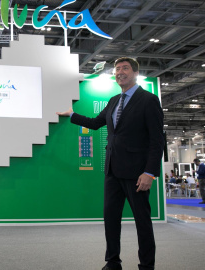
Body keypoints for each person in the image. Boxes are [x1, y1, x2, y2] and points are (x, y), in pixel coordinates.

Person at [57, 57, 164, 270]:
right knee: (111, 219)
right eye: (116, 69)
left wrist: (150, 172)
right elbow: (96, 124)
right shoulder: (114, 100)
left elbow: (157, 139)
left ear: (135, 73)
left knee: (142, 221)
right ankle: (113, 262)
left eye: (124, 68)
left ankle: (146, 265)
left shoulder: (148, 100)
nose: (119, 72)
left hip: (137, 173)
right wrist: (72, 115)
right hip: (112, 171)